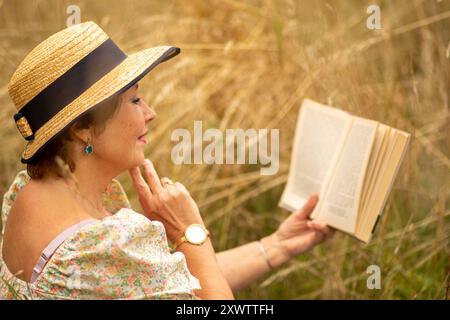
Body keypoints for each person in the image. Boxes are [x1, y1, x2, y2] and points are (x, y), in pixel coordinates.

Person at [0, 21, 334, 300]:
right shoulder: (105, 243)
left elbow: (168, 285)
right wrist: (189, 231)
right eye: (134, 99)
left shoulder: (31, 193)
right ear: (82, 129)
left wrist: (276, 246)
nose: (150, 114)